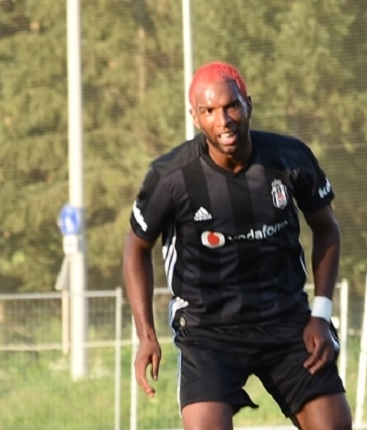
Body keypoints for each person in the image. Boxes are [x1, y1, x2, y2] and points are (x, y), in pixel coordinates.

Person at [122, 61, 352, 430]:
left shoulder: (290, 159)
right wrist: (146, 335)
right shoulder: (171, 176)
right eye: (209, 111)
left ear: (248, 105)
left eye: (231, 106)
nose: (223, 119)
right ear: (195, 117)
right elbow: (136, 247)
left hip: (286, 322)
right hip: (208, 329)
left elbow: (327, 230)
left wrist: (321, 314)